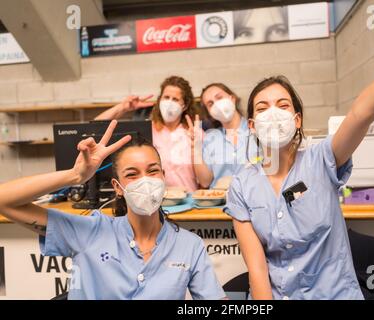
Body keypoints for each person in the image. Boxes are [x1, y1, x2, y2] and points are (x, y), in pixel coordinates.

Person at [224, 0, 374, 300]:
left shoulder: (322, 160)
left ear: (297, 119)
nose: (273, 113)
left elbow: (363, 112)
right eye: (262, 108)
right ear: (252, 125)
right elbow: (257, 272)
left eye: (283, 105)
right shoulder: (242, 186)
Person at [0, 120, 226, 300]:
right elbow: (4, 201)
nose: (145, 180)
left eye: (153, 171)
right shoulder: (91, 231)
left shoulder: (189, 245)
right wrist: (75, 176)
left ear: (164, 178)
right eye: (132, 174)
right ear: (117, 187)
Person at [95, 76, 199, 192]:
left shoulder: (194, 133)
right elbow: (92, 129)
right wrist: (122, 107)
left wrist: (197, 146)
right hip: (151, 200)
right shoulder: (145, 129)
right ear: (159, 100)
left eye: (175, 99)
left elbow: (205, 181)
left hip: (189, 200)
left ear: (184, 105)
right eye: (166, 97)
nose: (169, 102)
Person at [187, 83, 257, 189]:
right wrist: (195, 147)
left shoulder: (257, 130)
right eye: (210, 104)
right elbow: (205, 182)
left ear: (232, 98)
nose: (217, 105)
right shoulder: (209, 139)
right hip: (220, 202)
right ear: (210, 113)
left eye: (219, 98)